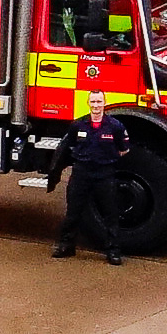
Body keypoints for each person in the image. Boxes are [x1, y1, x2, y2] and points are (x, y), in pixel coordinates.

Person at [53, 108, 134, 265]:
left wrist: (108, 159)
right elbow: (69, 145)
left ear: (103, 104)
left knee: (110, 213)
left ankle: (113, 251)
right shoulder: (78, 125)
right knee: (73, 211)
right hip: (81, 173)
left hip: (104, 174)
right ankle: (66, 246)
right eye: (93, 102)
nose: (96, 106)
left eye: (99, 102)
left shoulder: (115, 126)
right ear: (89, 104)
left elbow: (125, 149)